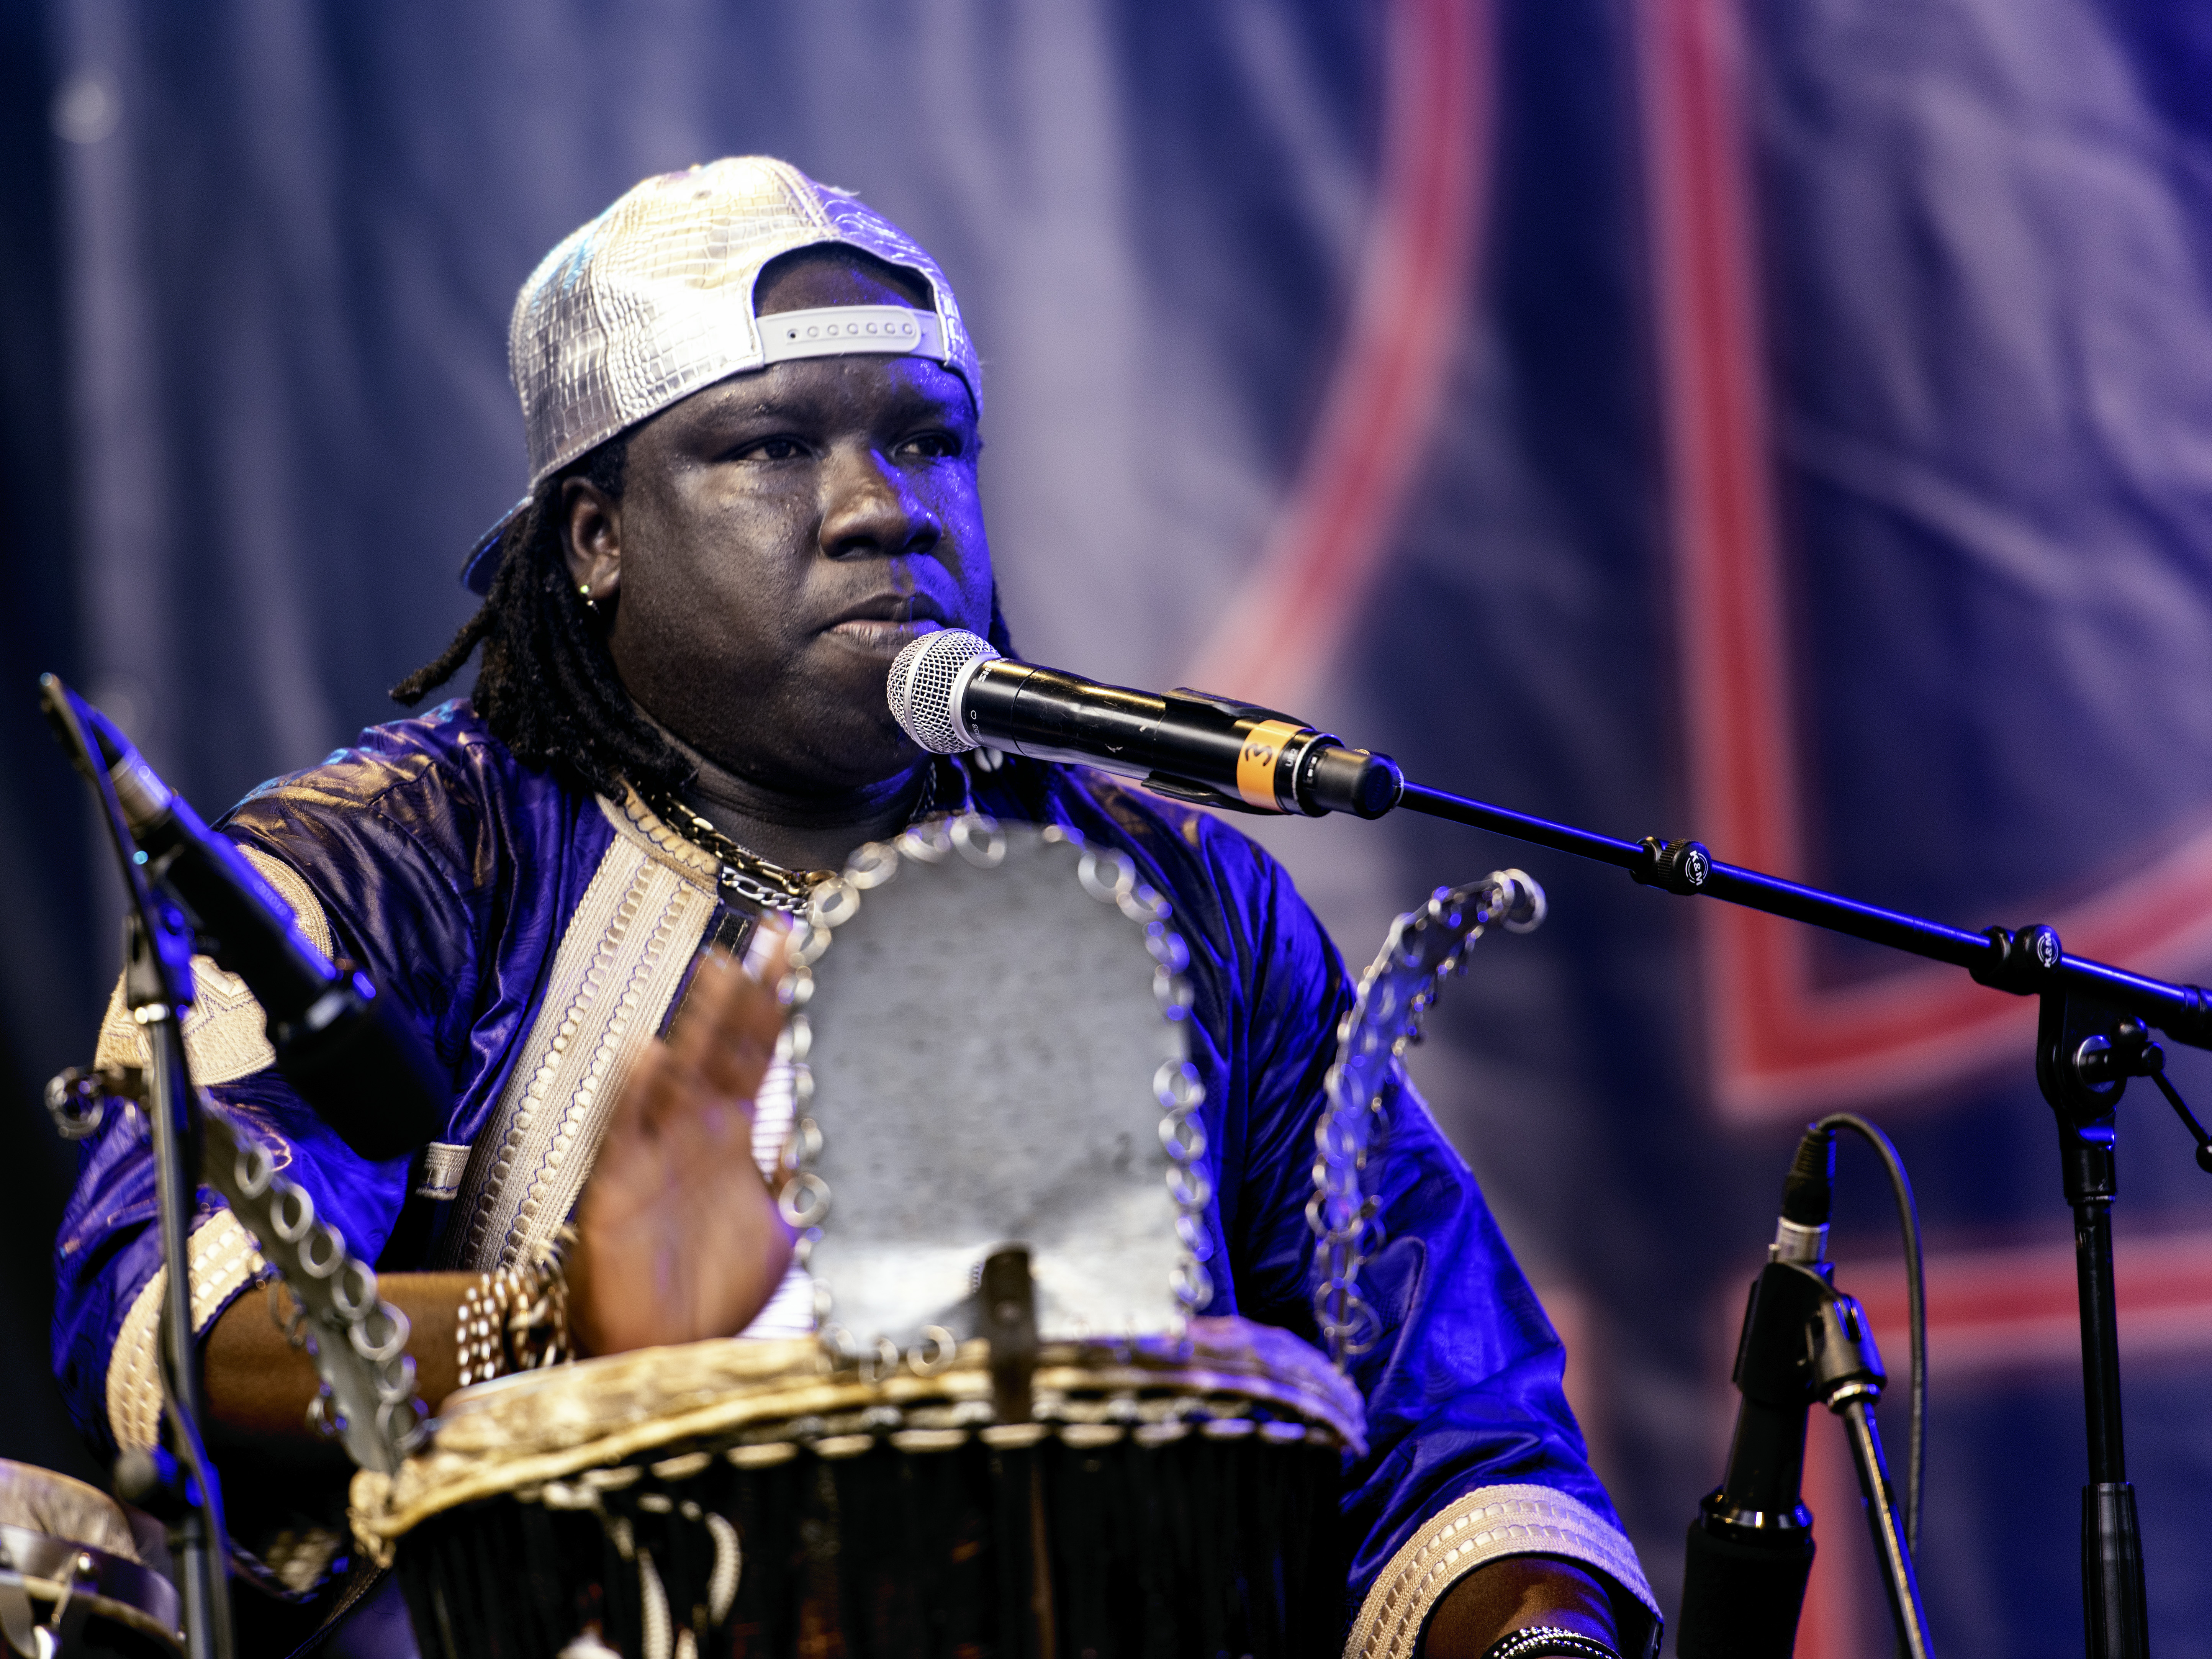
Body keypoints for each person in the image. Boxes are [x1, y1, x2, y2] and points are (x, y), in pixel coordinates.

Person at [52, 157, 1660, 1658]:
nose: (882, 505)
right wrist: (556, 1330)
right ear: (596, 538)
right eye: (771, 448)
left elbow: (1460, 1426)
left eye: (925, 439)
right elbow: (164, 1328)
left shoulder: (1185, 898)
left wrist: (1538, 1642)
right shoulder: (391, 856)